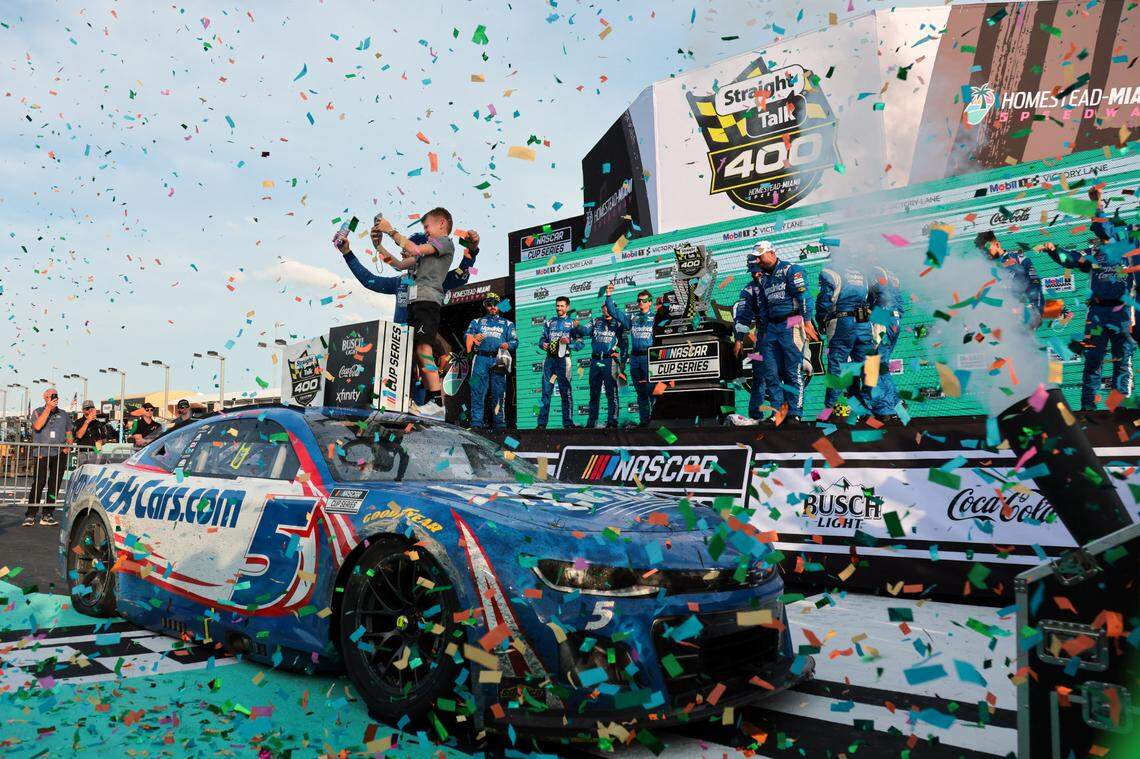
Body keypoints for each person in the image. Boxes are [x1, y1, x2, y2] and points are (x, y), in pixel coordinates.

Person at [1040, 193, 1136, 411]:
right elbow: (1072, 259)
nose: (1099, 235)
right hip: (1097, 314)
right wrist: (1055, 251)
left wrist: (1097, 203)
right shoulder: (1094, 254)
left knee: (1122, 361)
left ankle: (1122, 409)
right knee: (1093, 360)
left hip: (1122, 312)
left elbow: (1104, 227)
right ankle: (1087, 409)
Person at [374, 208, 458, 417]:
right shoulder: (425, 254)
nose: (426, 231)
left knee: (423, 350)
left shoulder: (445, 242)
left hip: (427, 302)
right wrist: (378, 245)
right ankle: (416, 400)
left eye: (427, 226)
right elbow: (398, 264)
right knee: (415, 353)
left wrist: (391, 231)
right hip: (415, 304)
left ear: (442, 223)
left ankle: (437, 402)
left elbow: (416, 249)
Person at [754, 241, 817, 422]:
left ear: (772, 253)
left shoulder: (791, 270)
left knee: (792, 370)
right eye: (756, 257)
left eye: (761, 255)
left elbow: (803, 296)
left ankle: (795, 414)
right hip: (772, 328)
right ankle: (778, 413)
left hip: (792, 321)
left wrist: (806, 321)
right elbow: (764, 307)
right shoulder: (763, 278)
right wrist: (764, 330)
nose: (758, 259)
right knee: (771, 372)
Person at [815, 264, 874, 414]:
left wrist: (821, 319)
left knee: (837, 366)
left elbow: (824, 300)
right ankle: (867, 409)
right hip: (863, 322)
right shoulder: (862, 272)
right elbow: (871, 299)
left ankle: (829, 411)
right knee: (869, 366)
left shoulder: (830, 271)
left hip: (841, 322)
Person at [603, 283, 657, 426]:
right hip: (635, 359)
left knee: (652, 390)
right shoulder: (632, 317)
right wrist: (609, 295)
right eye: (639, 300)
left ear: (650, 302)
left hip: (649, 358)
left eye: (644, 300)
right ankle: (645, 422)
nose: (640, 303)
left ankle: (657, 420)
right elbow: (614, 312)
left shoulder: (656, 318)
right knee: (641, 392)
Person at [465, 294, 518, 430]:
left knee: (499, 392)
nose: (492, 306)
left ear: (500, 305)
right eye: (489, 304)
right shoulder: (476, 321)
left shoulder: (508, 323)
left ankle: (499, 423)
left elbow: (515, 342)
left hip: (499, 359)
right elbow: (467, 336)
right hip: (480, 359)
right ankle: (476, 422)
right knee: (477, 390)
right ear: (486, 306)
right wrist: (474, 337)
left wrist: (508, 345)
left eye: (495, 304)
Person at [575, 294, 627, 428]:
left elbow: (624, 344)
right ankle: (592, 422)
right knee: (594, 393)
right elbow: (585, 331)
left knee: (612, 393)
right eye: (603, 307)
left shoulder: (619, 324)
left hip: (611, 361)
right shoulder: (595, 321)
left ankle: (612, 421)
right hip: (595, 361)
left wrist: (622, 362)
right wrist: (578, 326)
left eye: (608, 307)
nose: (606, 309)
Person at [974, 230, 1044, 329]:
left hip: (1023, 297)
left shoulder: (1018, 258)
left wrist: (1037, 312)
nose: (987, 252)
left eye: (989, 248)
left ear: (997, 244)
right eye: (985, 250)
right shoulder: (990, 267)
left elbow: (1034, 283)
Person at [24, 387, 71, 527]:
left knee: (54, 484)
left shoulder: (64, 414)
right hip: (41, 453)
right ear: (45, 397)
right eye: (51, 396)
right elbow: (37, 426)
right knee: (39, 482)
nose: (54, 398)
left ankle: (48, 513)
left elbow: (69, 431)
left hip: (59, 453)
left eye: (56, 396)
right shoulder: (37, 411)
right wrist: (48, 408)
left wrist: (69, 444)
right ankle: (31, 514)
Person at [732, 251, 770, 421]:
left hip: (785, 331)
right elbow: (742, 315)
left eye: (758, 269)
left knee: (786, 372)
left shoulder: (780, 281)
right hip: (763, 333)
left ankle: (789, 415)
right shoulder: (749, 289)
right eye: (753, 271)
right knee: (759, 374)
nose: (756, 274)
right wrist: (739, 339)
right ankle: (756, 416)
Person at [536, 295, 582, 429]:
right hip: (550, 361)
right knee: (545, 392)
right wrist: (542, 344)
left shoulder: (573, 323)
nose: (559, 308)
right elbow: (541, 339)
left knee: (565, 392)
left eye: (562, 306)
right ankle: (541, 424)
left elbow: (580, 344)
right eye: (557, 305)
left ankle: (568, 423)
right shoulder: (549, 322)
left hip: (564, 360)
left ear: (567, 307)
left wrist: (570, 344)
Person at [866, 265, 905, 420]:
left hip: (882, 318)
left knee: (873, 363)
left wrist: (872, 314)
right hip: (894, 320)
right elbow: (900, 305)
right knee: (881, 364)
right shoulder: (891, 272)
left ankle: (885, 408)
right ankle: (895, 403)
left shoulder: (874, 271)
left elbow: (879, 299)